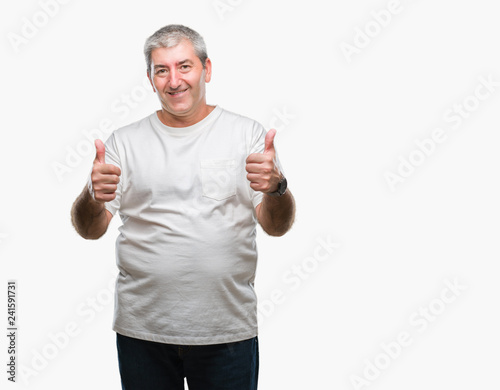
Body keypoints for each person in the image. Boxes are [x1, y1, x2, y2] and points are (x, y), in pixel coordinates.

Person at [70, 24, 295, 390]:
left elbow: (277, 226)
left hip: (227, 331)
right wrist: (92, 195)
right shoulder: (123, 143)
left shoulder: (247, 135)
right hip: (142, 331)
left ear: (206, 69)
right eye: (162, 70)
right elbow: (89, 229)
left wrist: (277, 188)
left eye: (184, 66)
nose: (174, 81)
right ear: (150, 78)